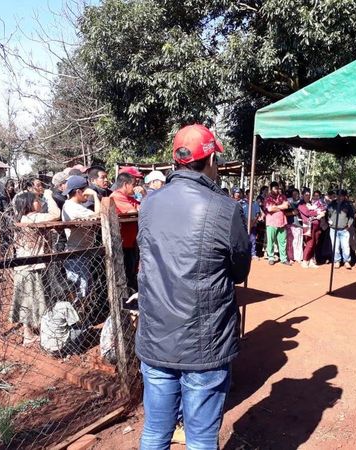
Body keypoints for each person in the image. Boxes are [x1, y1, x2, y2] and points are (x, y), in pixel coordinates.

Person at [136, 123, 251, 450]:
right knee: (200, 438)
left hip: (157, 337)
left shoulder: (149, 204)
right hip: (206, 342)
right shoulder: (225, 209)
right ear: (211, 159)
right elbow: (240, 270)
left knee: (155, 432)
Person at [10, 189, 61, 345]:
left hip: (24, 265)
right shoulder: (33, 217)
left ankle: (29, 332)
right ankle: (31, 334)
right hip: (32, 266)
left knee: (27, 299)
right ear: (28, 204)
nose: (39, 202)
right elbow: (55, 214)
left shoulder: (22, 218)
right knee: (34, 299)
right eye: (36, 200)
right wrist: (49, 196)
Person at [62, 176, 100, 301]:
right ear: (79, 192)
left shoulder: (75, 206)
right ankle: (79, 318)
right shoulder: (73, 207)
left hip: (81, 251)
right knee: (81, 290)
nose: (87, 196)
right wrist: (94, 195)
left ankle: (83, 316)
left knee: (85, 288)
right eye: (86, 191)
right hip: (76, 252)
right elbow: (100, 215)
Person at [110, 172, 140, 292]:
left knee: (132, 271)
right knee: (126, 274)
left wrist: (143, 194)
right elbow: (133, 211)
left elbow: (144, 207)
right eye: (133, 184)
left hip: (131, 241)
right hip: (122, 243)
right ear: (125, 184)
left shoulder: (128, 197)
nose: (135, 187)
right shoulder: (117, 196)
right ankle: (126, 303)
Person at [263, 181, 291, 266]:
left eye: (277, 188)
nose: (276, 190)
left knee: (283, 241)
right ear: (271, 189)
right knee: (270, 241)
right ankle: (271, 257)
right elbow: (270, 209)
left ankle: (283, 258)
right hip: (271, 222)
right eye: (275, 188)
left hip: (282, 221)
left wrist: (276, 207)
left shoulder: (282, 197)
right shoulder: (267, 198)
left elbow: (286, 206)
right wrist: (280, 207)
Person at [327, 189, 355, 269]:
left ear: (344, 196)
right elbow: (327, 214)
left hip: (344, 229)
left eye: (341, 195)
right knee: (335, 247)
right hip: (333, 229)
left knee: (345, 246)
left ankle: (346, 261)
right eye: (338, 195)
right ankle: (337, 261)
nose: (339, 197)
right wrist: (329, 221)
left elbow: (351, 216)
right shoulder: (331, 204)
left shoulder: (348, 205)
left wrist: (349, 224)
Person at [298, 189, 324, 269]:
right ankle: (305, 260)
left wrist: (322, 212)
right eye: (306, 194)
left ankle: (311, 261)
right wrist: (318, 213)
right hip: (308, 225)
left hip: (317, 225)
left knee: (314, 244)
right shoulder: (301, 204)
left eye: (309, 194)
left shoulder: (312, 203)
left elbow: (321, 208)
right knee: (310, 244)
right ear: (302, 195)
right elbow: (307, 213)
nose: (308, 196)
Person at [286, 188, 304, 263]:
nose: (295, 195)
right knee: (290, 242)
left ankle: (298, 257)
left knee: (299, 241)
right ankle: (290, 257)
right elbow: (284, 214)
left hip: (299, 225)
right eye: (293, 194)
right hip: (290, 224)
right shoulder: (288, 203)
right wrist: (293, 213)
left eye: (296, 194)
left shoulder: (302, 203)